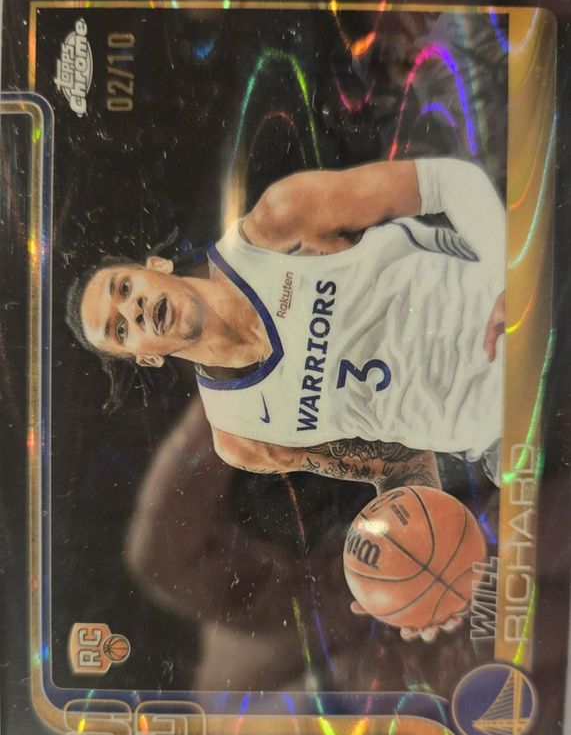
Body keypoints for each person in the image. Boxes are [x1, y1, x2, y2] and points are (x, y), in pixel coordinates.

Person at [66, 156, 506, 638]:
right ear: (145, 357)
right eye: (120, 329)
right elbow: (399, 466)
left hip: (516, 314)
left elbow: (446, 182)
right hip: (502, 436)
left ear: (156, 266)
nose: (133, 309)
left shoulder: (279, 224)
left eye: (124, 287)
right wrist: (420, 567)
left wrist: (511, 277)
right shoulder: (241, 437)